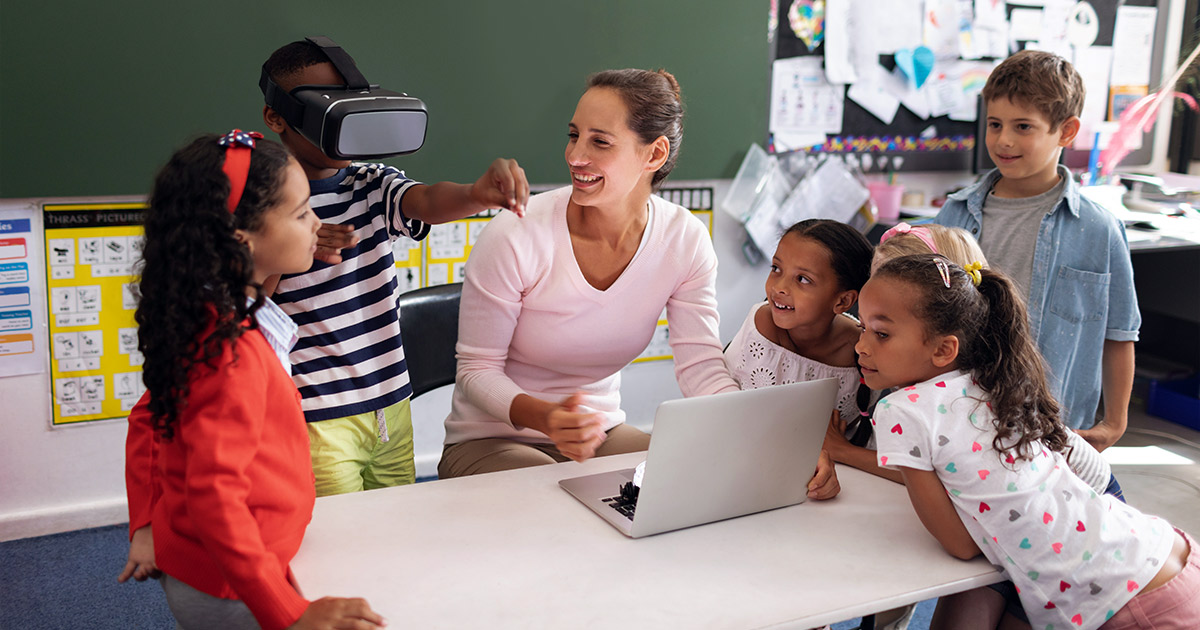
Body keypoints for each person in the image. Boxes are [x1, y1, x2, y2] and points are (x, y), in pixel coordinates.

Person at [438, 68, 838, 499]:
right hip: (490, 438)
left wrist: (778, 442)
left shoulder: (683, 239)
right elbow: (476, 372)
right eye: (574, 135)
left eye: (600, 142)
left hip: (598, 435)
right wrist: (546, 417)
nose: (575, 156)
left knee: (690, 483)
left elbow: (701, 366)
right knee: (544, 496)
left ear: (654, 154)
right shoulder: (516, 234)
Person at [119, 131, 384, 629]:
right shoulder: (231, 354)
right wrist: (290, 615)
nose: (317, 225)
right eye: (302, 212)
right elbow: (215, 499)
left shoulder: (211, 314)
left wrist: (148, 522)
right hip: (232, 586)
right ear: (242, 240)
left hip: (229, 564)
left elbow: (151, 419)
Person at [860, 254, 1196, 630]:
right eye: (862, 328)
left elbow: (962, 546)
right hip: (1160, 552)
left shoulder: (901, 410)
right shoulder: (991, 379)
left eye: (881, 334)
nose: (861, 346)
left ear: (944, 349)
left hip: (1133, 602)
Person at [260, 40, 530, 496]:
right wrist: (289, 245)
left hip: (390, 404)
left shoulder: (371, 183)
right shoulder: (264, 201)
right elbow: (247, 301)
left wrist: (475, 195)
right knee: (339, 538)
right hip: (316, 415)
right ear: (277, 118)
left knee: (395, 526)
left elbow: (423, 200)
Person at [934, 50, 1138, 451]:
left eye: (1023, 126)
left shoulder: (1099, 229)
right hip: (960, 420)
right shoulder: (955, 213)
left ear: (1066, 131)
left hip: (1052, 429)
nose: (1004, 140)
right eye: (995, 124)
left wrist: (1115, 423)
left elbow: (1119, 332)